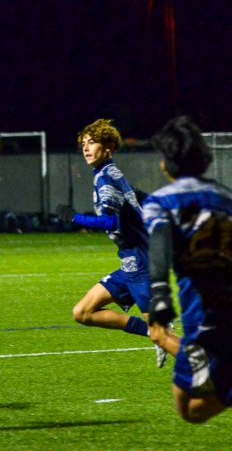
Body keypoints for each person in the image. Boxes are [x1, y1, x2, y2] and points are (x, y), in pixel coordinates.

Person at [56, 119, 169, 367]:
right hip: (130, 262)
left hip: (140, 264)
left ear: (108, 148)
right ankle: (153, 333)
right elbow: (140, 198)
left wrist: (74, 217)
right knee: (83, 312)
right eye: (83, 143)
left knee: (166, 337)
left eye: (92, 142)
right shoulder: (112, 173)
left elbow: (109, 222)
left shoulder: (106, 179)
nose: (86, 148)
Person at [143, 115, 232, 423]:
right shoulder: (226, 197)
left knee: (189, 410)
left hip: (204, 317)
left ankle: (167, 341)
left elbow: (159, 238)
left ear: (166, 163)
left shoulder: (161, 202)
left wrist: (159, 292)